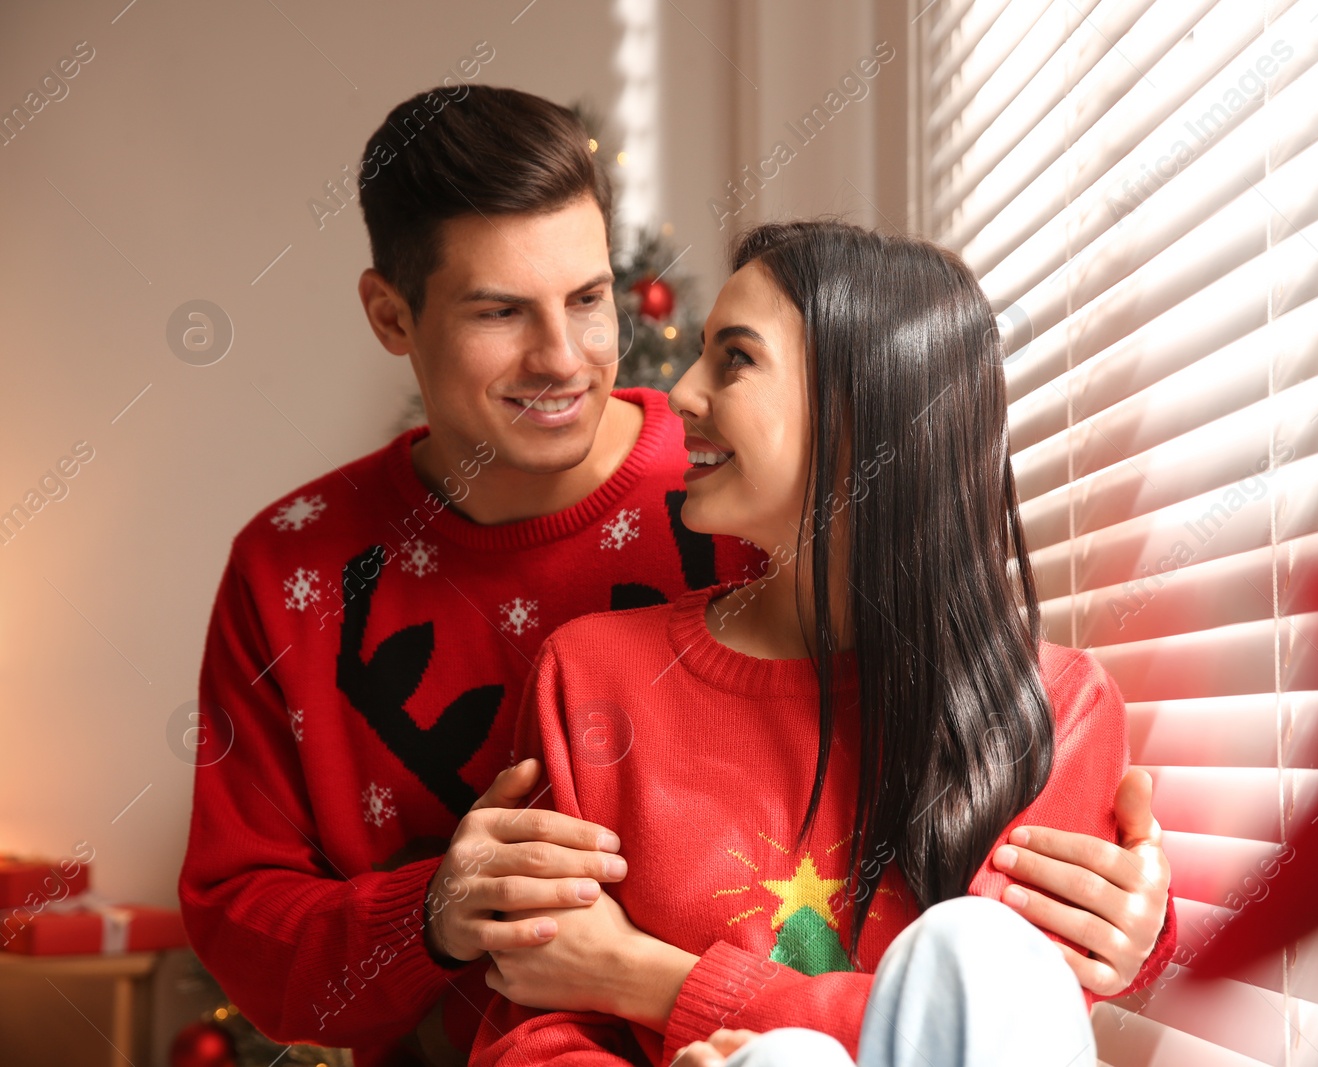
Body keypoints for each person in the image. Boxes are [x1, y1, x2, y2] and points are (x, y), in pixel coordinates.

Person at [177, 87, 1173, 1067]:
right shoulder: (296, 569)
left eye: (588, 297)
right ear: (391, 315)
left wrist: (1124, 929)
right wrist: (437, 908)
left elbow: (993, 980)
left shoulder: (745, 489)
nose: (563, 357)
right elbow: (251, 929)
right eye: (498, 311)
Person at [468, 222, 1179, 1067]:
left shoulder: (1054, 710)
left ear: (864, 405)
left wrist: (655, 981)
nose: (682, 393)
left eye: (734, 359)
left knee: (966, 952)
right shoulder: (593, 677)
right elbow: (537, 1028)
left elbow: (988, 1021)